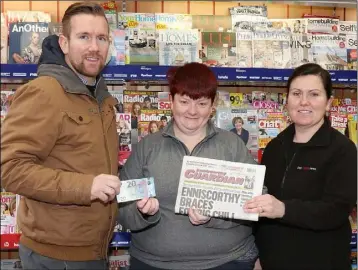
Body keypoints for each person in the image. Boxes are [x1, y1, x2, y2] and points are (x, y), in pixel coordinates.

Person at [1, 2, 121, 269]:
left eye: (101, 38)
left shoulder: (100, 97)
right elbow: (11, 170)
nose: (94, 47)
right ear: (64, 43)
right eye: (84, 37)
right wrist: (86, 187)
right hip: (56, 258)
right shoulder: (44, 92)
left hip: (94, 251)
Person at [119, 62, 258, 270]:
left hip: (227, 261)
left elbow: (254, 202)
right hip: (154, 263)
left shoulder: (231, 145)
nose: (192, 111)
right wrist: (143, 214)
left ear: (213, 106)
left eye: (201, 103)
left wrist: (214, 216)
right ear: (171, 102)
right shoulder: (148, 147)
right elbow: (123, 205)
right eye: (184, 101)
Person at [244, 63, 357, 270]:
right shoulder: (274, 147)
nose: (304, 102)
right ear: (287, 100)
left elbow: (336, 211)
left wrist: (283, 209)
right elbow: (260, 206)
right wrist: (258, 255)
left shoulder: (343, 150)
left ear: (329, 102)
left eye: (314, 94)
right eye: (296, 93)